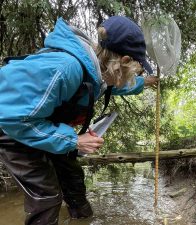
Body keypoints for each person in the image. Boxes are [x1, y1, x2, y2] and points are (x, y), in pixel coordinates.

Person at [0, 16, 158, 225]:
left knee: (73, 179)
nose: (134, 76)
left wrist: (146, 82)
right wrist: (74, 141)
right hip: (13, 129)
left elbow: (119, 84)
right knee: (46, 196)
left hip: (44, 126)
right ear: (125, 61)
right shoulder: (65, 68)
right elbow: (11, 117)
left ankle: (82, 219)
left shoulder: (99, 71)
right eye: (137, 70)